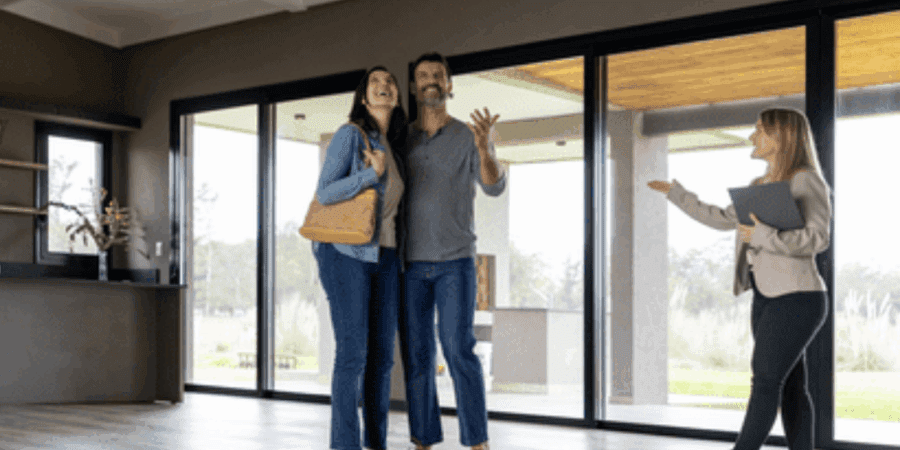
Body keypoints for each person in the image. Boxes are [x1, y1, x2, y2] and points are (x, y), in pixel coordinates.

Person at [648, 108, 831, 450]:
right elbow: (720, 218)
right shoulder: (758, 186)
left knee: (765, 382)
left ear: (781, 137)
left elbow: (817, 238)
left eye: (760, 130)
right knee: (790, 387)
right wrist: (677, 193)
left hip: (799, 298)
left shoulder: (806, 180)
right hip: (766, 297)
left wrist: (764, 236)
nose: (752, 136)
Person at [398, 52, 504, 450]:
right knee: (419, 355)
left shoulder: (467, 135)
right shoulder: (403, 138)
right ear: (414, 86)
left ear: (449, 84)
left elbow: (493, 186)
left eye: (438, 75)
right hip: (412, 264)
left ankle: (477, 440)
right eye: (423, 75)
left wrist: (485, 148)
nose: (430, 81)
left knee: (460, 350)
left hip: (456, 263)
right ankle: (423, 438)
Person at [312, 66, 408, 450]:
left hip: (385, 256)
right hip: (346, 254)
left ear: (397, 96)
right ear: (364, 97)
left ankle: (377, 443)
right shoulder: (350, 135)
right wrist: (369, 176)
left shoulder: (395, 146)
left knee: (383, 357)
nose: (384, 86)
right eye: (375, 82)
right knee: (353, 352)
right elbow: (324, 193)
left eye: (390, 83)